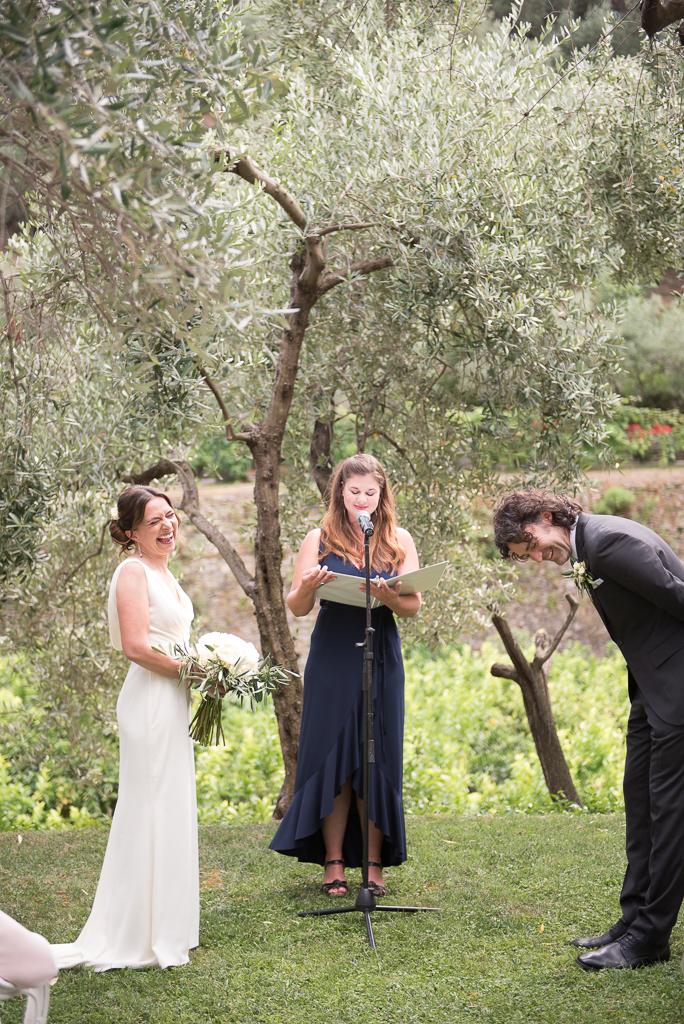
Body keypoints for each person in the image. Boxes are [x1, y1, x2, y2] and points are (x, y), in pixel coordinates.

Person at [493, 488, 684, 971]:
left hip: (677, 689)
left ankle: (649, 938)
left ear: (545, 515)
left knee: (669, 813)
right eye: (527, 555)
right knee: (639, 799)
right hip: (650, 687)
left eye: (531, 544)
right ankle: (632, 919)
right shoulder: (591, 544)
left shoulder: (610, 542)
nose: (538, 556)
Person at [52, 485, 199, 971]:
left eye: (170, 516)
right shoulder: (132, 572)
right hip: (151, 701)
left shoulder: (165, 573)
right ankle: (135, 931)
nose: (167, 526)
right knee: (149, 806)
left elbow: (172, 641)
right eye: (154, 520)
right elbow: (135, 647)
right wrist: (191, 673)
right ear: (131, 532)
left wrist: (203, 672)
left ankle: (167, 923)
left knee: (170, 804)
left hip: (172, 699)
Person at [270, 454, 421, 897]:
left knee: (376, 756)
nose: (361, 500)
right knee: (332, 756)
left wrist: (389, 595)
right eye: (353, 492)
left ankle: (374, 864)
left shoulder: (398, 540)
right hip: (333, 656)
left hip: (383, 655)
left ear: (382, 495)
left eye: (370, 493)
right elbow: (296, 606)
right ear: (340, 492)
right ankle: (333, 861)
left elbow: (412, 607)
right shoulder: (318, 538)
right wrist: (310, 586)